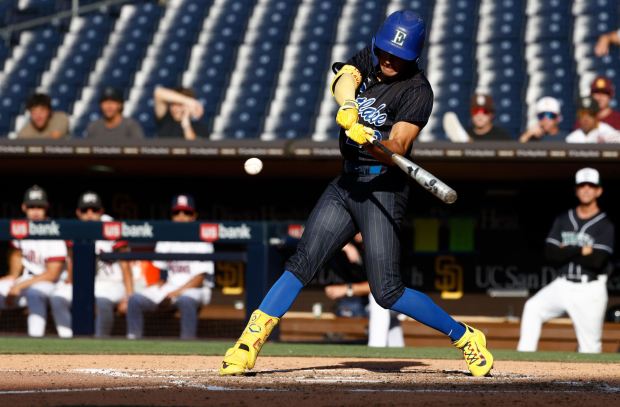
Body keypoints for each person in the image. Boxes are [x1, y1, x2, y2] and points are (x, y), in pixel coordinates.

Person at [220, 10, 493, 377]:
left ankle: (465, 337)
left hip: (383, 188)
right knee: (302, 263)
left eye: (397, 56)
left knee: (388, 292)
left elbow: (400, 144)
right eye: (384, 52)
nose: (388, 60)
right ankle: (247, 345)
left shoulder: (417, 91)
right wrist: (349, 107)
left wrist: (375, 140)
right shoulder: (372, 57)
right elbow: (343, 78)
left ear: (414, 56)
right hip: (347, 183)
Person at [518, 168, 614, 353]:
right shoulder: (564, 219)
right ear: (576, 190)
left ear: (598, 191)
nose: (586, 189)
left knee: (590, 347)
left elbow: (597, 260)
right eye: (582, 186)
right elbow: (551, 253)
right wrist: (580, 249)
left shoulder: (605, 224)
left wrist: (566, 249)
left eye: (591, 186)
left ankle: (590, 381)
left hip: (590, 288)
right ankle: (522, 363)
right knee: (533, 308)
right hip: (562, 284)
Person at [126, 194, 214, 340]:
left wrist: (176, 293)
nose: (181, 216)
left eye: (186, 212)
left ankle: (188, 342)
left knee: (186, 300)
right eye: (177, 212)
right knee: (135, 300)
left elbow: (199, 279)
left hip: (196, 289)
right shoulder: (166, 238)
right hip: (170, 286)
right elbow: (158, 271)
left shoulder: (202, 241)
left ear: (194, 216)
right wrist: (156, 286)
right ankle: (133, 339)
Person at [49, 191, 134, 338]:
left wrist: (129, 295)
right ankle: (70, 340)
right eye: (85, 210)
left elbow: (125, 264)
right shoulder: (74, 229)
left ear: (101, 211)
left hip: (111, 283)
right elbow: (71, 257)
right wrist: (70, 278)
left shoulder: (111, 227)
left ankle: (100, 342)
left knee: (101, 301)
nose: (89, 214)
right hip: (84, 283)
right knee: (57, 298)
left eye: (94, 210)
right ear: (78, 213)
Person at [0, 185, 67, 337]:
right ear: (24, 207)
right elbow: (17, 254)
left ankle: (35, 340)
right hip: (27, 278)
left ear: (46, 208)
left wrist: (19, 285)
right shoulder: (21, 227)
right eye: (31, 207)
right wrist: (12, 276)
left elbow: (52, 274)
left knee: (34, 293)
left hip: (53, 284)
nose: (35, 211)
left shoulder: (54, 230)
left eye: (39, 207)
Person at [324, 234, 404, 347]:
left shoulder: (382, 246)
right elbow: (317, 234)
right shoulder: (356, 245)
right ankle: (397, 351)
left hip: (405, 297)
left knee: (378, 299)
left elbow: (381, 285)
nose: (357, 232)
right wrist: (345, 246)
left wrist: (348, 289)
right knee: (389, 320)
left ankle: (376, 349)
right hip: (381, 305)